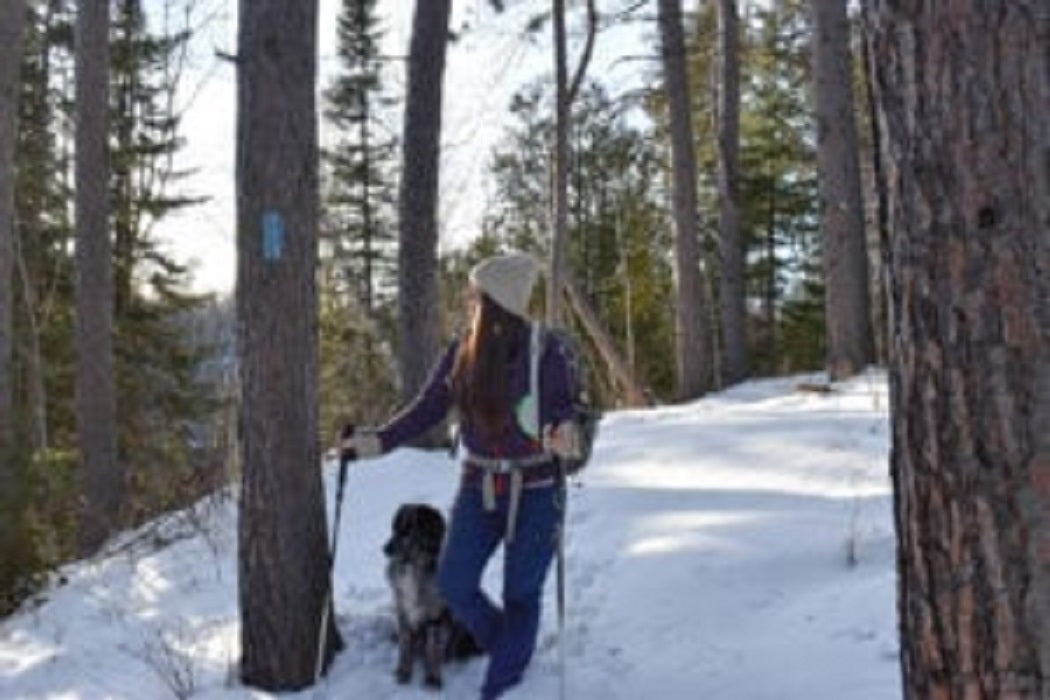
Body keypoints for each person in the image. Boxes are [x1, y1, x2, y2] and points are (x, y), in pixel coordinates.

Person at [342, 251, 581, 699]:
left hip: (537, 487)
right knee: (454, 581)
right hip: (479, 485)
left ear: (500, 300)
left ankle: (501, 683)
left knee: (521, 593)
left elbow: (568, 410)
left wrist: (567, 433)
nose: (470, 299)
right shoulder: (462, 351)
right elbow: (428, 408)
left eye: (478, 293)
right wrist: (377, 441)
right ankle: (509, 645)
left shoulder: (547, 352)